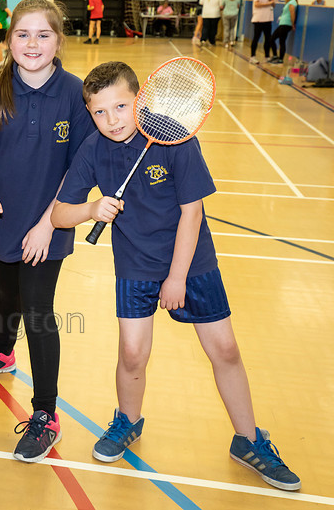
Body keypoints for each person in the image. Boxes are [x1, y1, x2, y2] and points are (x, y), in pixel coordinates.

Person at [51, 60, 302, 492]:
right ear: (90, 113)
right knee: (132, 353)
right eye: (100, 112)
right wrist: (92, 210)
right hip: (135, 265)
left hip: (192, 263)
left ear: (140, 100)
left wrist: (177, 278)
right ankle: (126, 421)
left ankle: (250, 440)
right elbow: (59, 214)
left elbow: (192, 212)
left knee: (224, 348)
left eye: (121, 106)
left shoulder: (174, 137)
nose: (112, 120)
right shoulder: (93, 148)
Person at [0, 0, 95, 463]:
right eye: (23, 34)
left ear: (59, 41)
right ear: (8, 39)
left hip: (51, 222)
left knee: (38, 311)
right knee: (7, 289)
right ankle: (2, 351)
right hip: (4, 217)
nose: (32, 43)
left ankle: (46, 413)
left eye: (43, 35)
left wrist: (46, 225)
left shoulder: (75, 94)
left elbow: (78, 170)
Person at [250, 0, 276, 64]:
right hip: (259, 19)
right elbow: (257, 4)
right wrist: (268, 3)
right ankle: (252, 56)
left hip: (268, 19)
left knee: (268, 38)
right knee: (256, 38)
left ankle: (267, 56)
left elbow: (273, 5)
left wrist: (272, 1)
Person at [270, 0, 298, 64]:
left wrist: (292, 24)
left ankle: (278, 58)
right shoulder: (289, 2)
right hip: (283, 24)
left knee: (275, 40)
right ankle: (278, 58)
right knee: (279, 41)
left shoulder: (292, 2)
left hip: (286, 24)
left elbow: (292, 13)